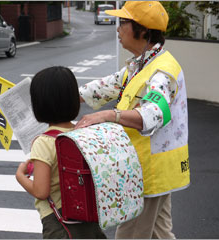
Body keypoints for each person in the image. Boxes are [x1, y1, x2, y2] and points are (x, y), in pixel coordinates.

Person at [75, 1, 190, 239]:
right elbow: (103, 87)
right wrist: (61, 94)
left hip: (150, 171)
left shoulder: (162, 71)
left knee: (130, 234)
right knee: (160, 234)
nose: (117, 29)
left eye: (123, 22)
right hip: (150, 169)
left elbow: (153, 114)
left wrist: (108, 115)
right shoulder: (140, 65)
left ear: (143, 29)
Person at [15, 66, 106, 239]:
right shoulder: (83, 133)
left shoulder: (44, 143)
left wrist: (20, 175)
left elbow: (41, 191)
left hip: (59, 223)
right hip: (87, 216)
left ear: (39, 104)